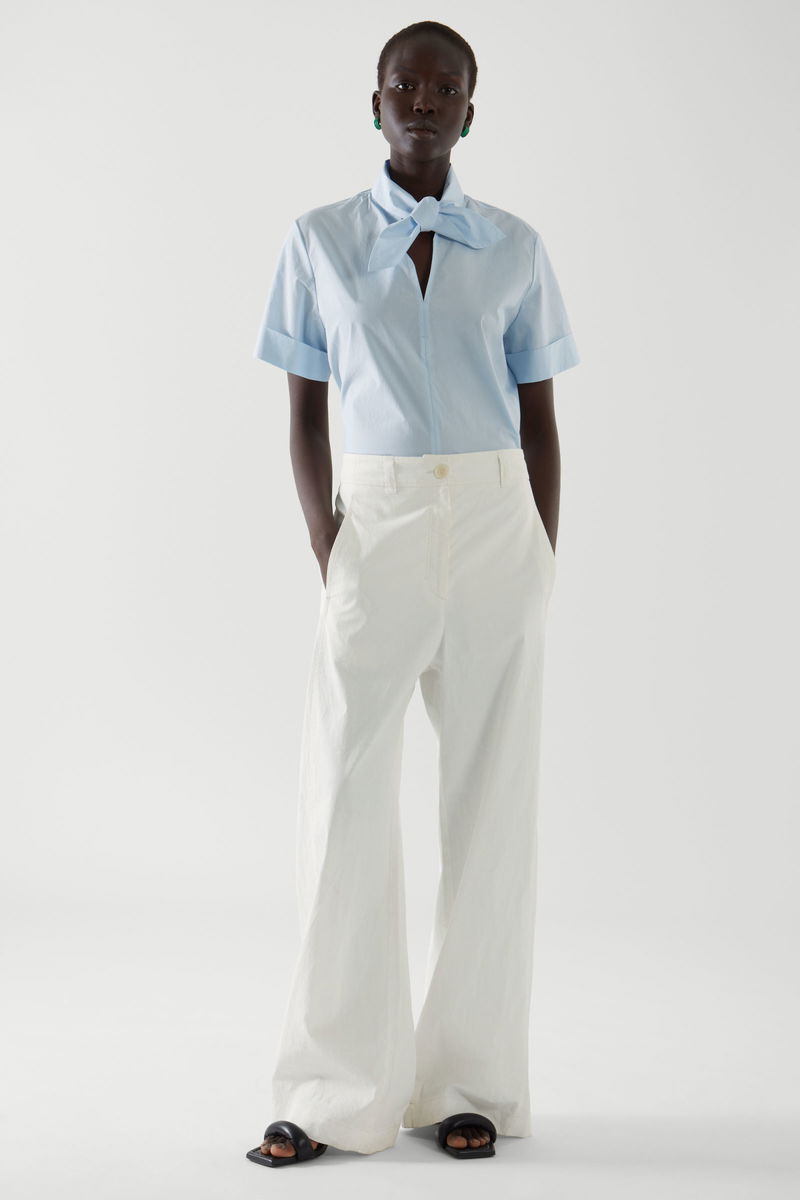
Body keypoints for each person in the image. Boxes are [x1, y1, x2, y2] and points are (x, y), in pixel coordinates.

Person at [245, 19, 580, 1166]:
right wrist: (329, 545)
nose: (423, 101)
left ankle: (469, 1084)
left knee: (491, 807)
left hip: (494, 524)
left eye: (445, 87)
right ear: (375, 103)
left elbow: (539, 417)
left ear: (470, 112)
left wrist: (536, 555)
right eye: (405, 84)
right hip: (374, 520)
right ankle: (329, 1091)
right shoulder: (318, 240)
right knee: (344, 797)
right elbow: (302, 414)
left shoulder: (515, 247)